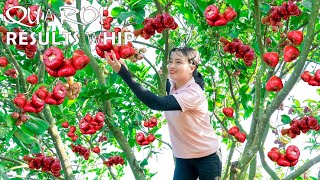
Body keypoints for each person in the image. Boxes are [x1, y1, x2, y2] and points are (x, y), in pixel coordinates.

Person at [106, 47, 221, 180]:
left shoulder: (193, 93)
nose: (172, 66)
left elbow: (156, 102)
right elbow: (164, 79)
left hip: (207, 157)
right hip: (184, 158)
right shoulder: (173, 84)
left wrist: (123, 72)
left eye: (178, 62)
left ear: (192, 67)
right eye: (170, 61)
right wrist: (126, 62)